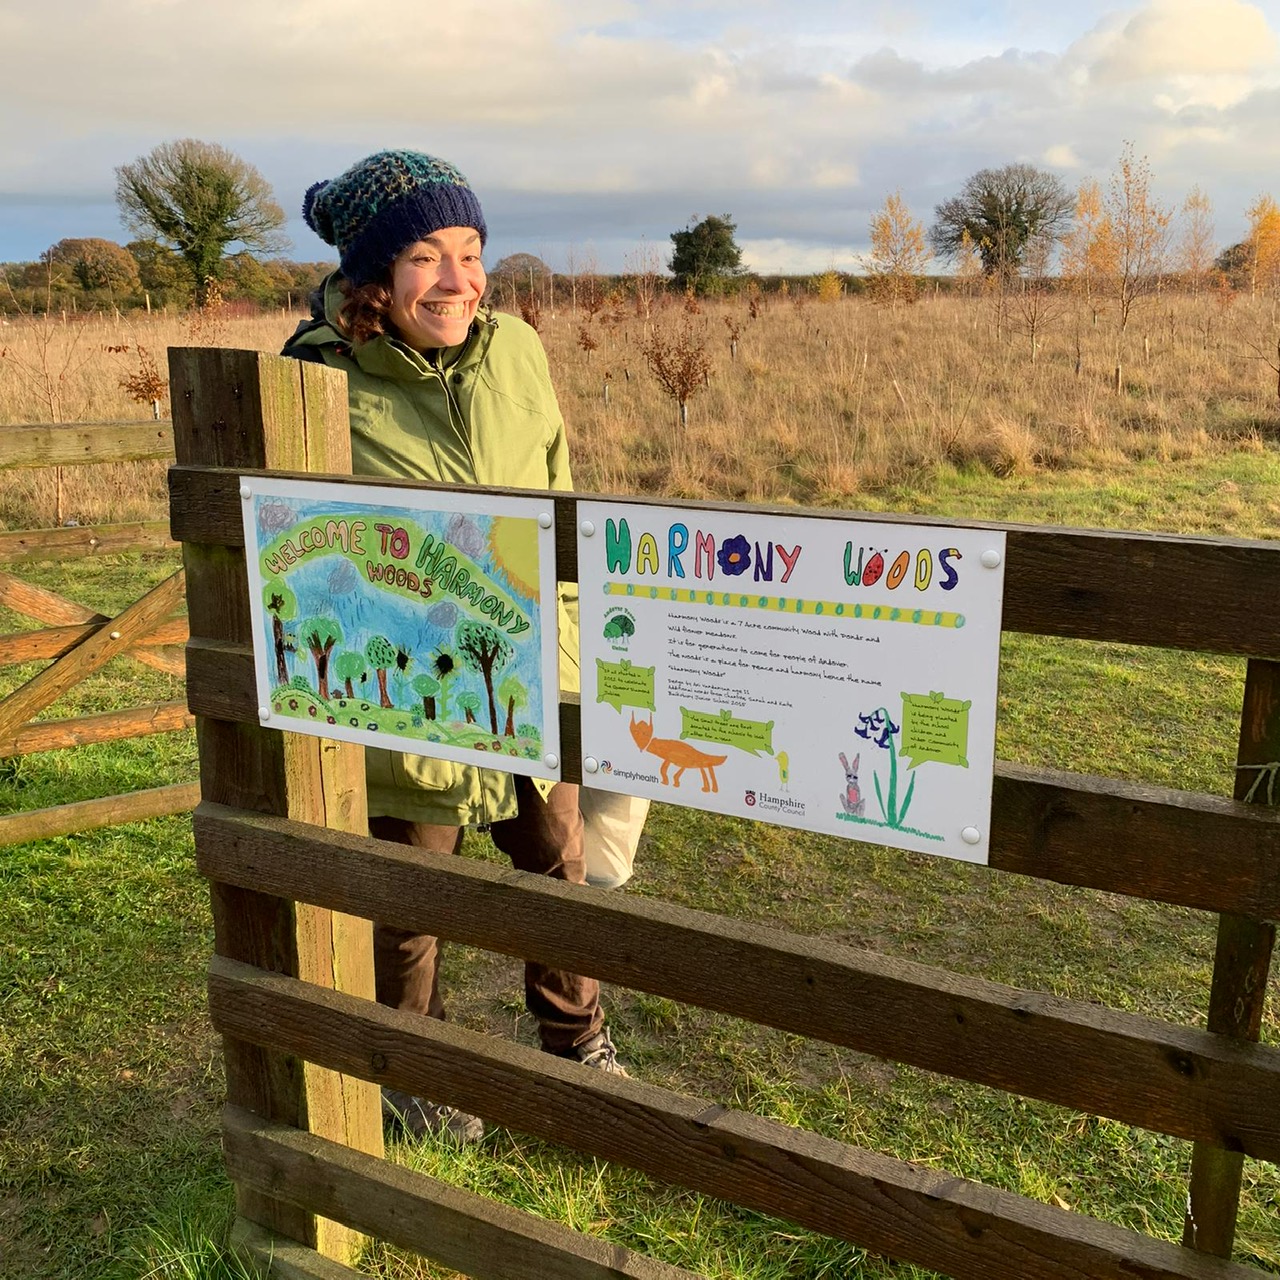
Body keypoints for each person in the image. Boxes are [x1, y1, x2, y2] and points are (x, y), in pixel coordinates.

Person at [283, 149, 626, 1144]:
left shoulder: (517, 349)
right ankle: (415, 1070)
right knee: (409, 898)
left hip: (527, 669)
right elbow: (297, 549)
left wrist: (574, 636)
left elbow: (558, 493)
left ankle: (573, 1039)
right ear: (374, 279)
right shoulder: (313, 378)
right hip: (406, 683)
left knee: (558, 864)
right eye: (427, 256)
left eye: (470, 252)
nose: (457, 279)